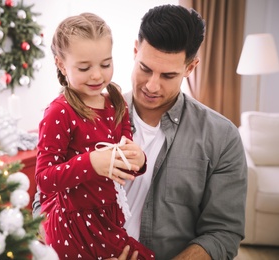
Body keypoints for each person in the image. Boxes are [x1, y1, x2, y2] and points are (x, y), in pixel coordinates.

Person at [34, 4, 248, 260]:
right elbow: (44, 197)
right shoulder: (95, 111)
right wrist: (72, 243)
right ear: (135, 51)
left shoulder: (222, 138)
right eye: (145, 68)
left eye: (168, 75)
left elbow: (223, 234)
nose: (152, 85)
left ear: (190, 68)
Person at [35, 12, 155, 259]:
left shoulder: (116, 103)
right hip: (73, 224)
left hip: (108, 217)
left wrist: (138, 160)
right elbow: (44, 179)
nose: (97, 75)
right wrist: (91, 163)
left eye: (105, 64)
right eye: (84, 67)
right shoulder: (59, 112)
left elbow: (125, 167)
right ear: (61, 64)